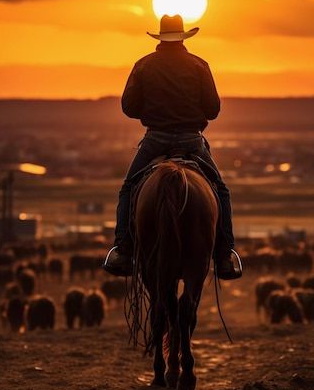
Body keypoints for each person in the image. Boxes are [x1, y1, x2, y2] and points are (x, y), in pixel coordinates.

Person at [103, 14, 241, 279]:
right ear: (183, 37)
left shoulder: (143, 65)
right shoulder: (199, 65)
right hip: (192, 140)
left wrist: (154, 107)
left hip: (156, 139)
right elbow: (212, 110)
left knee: (129, 188)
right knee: (220, 190)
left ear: (160, 38)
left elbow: (128, 107)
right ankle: (225, 255)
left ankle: (123, 249)